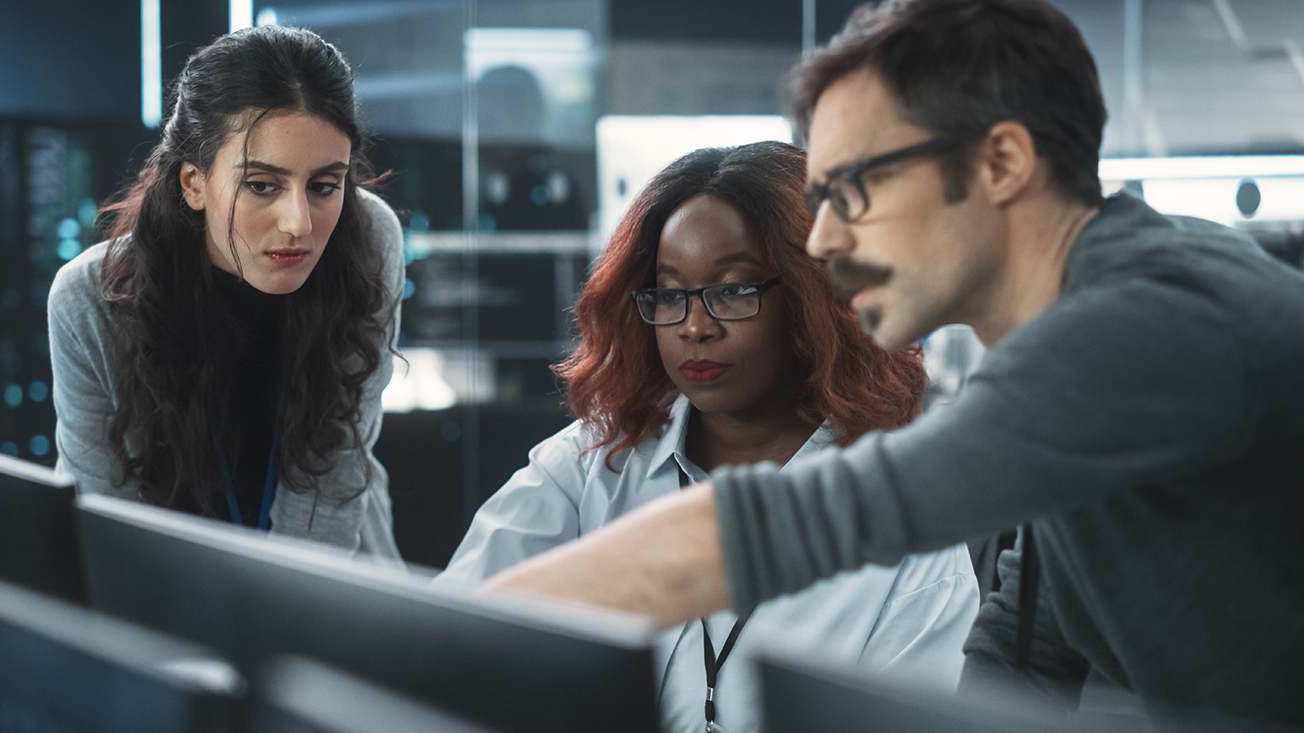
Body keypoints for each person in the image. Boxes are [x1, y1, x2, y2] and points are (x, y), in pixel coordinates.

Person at [483, 0, 1304, 728]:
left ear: (1002, 164)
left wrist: (445, 652)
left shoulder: (1147, 326)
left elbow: (792, 528)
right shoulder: (1095, 350)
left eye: (856, 190)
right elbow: (1023, 658)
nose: (828, 240)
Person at [437, 142, 978, 733]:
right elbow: (439, 650)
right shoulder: (591, 465)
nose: (695, 326)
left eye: (734, 289)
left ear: (816, 297)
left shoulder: (908, 533)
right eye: (669, 294)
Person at [48, 25, 402, 558]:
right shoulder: (90, 301)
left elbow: (332, 476)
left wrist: (281, 621)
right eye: (261, 185)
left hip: (332, 582)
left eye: (325, 186)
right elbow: (107, 525)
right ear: (193, 182)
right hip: (156, 591)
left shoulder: (367, 239)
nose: (299, 223)